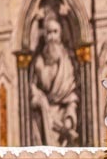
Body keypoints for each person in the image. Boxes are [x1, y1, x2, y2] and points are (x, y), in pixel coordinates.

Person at [29, 11, 79, 146]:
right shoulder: (38, 62)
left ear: (60, 33)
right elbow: (31, 88)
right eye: (49, 32)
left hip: (64, 118)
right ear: (44, 35)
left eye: (55, 32)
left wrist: (69, 120)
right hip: (41, 120)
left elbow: (72, 96)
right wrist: (40, 99)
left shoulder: (68, 62)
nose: (52, 37)